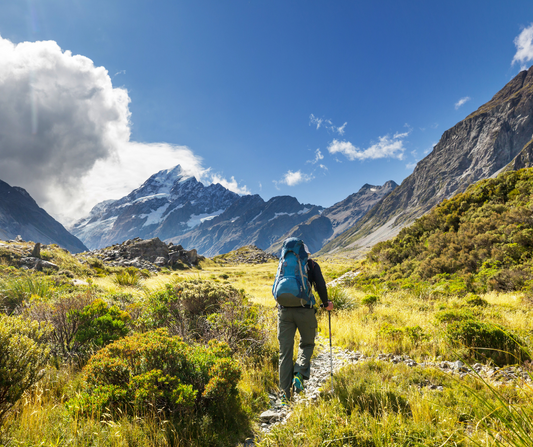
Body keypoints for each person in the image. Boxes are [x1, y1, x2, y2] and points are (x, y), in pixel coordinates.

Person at [275, 240, 333, 403]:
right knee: (307, 344)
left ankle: (285, 395)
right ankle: (299, 374)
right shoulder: (312, 265)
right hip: (305, 310)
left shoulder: (283, 265)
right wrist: (325, 303)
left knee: (284, 353)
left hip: (284, 311)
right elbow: (320, 285)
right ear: (304, 253)